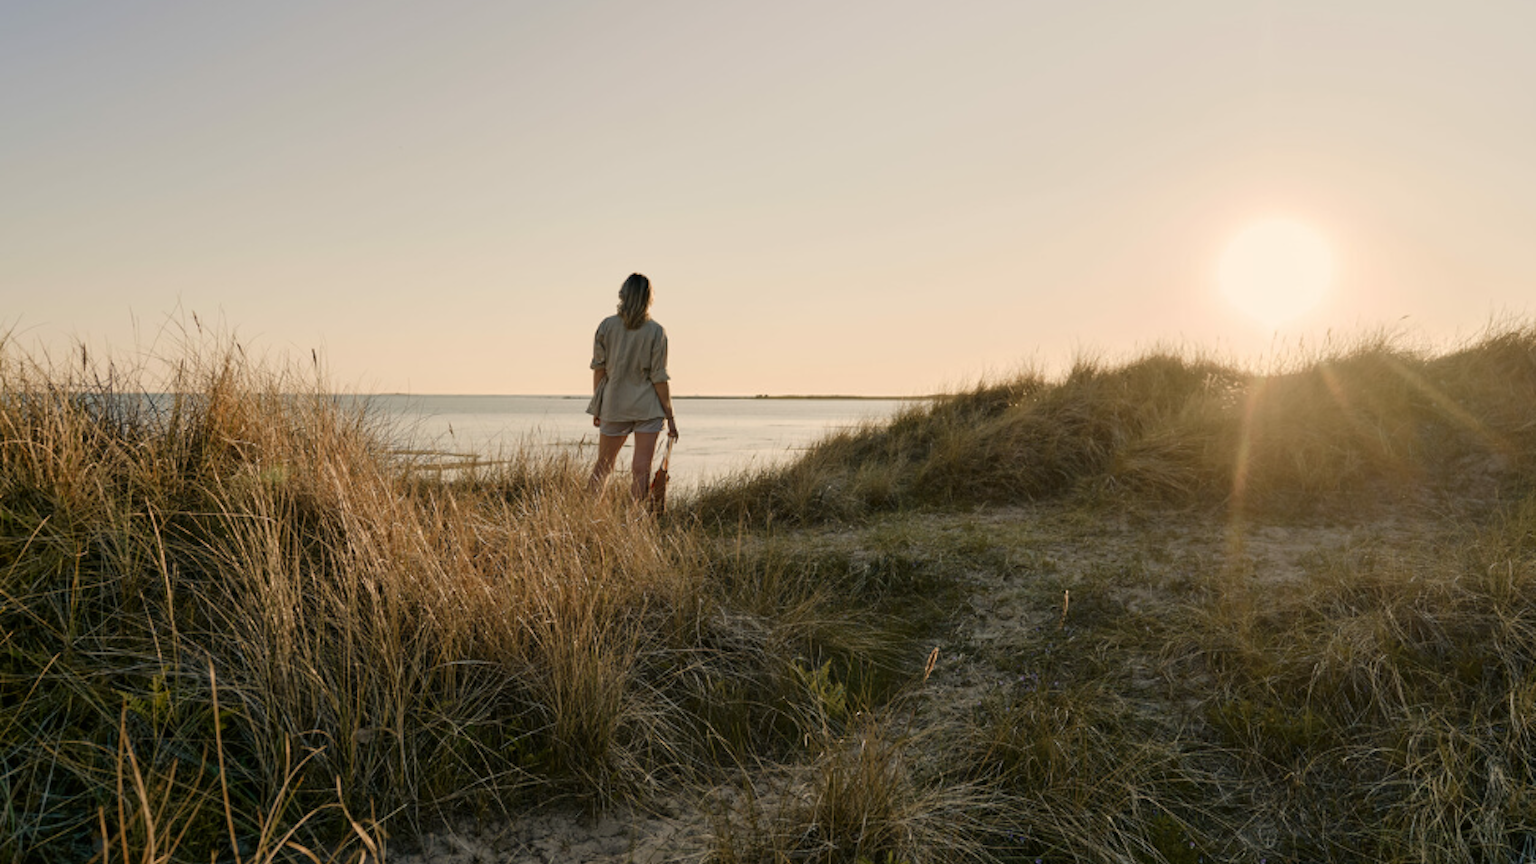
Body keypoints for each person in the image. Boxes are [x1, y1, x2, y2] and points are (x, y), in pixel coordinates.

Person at [587, 273, 679, 499]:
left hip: (614, 403)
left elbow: (599, 369)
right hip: (647, 407)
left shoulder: (606, 326)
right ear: (649, 297)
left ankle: (587, 516)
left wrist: (598, 405)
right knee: (641, 470)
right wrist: (670, 416)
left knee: (603, 466)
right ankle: (635, 523)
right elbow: (659, 378)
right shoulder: (656, 331)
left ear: (623, 295)